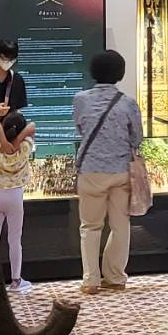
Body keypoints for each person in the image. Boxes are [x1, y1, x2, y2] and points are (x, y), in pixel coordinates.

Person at [71, 50, 141, 294]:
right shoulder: (128, 102)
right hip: (121, 171)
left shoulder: (81, 99)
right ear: (120, 73)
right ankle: (116, 277)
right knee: (121, 226)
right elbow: (137, 137)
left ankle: (91, 281)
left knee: (90, 227)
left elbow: (81, 127)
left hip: (90, 171)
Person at [0, 109, 36, 294]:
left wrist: (4, 140)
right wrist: (18, 139)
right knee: (14, 239)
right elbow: (32, 128)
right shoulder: (26, 145)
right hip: (16, 195)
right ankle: (16, 280)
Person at [0, 39, 28, 120]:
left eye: (12, 60)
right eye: (6, 59)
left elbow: (18, 109)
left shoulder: (17, 80)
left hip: (9, 126)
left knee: (30, 127)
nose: (9, 62)